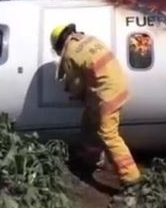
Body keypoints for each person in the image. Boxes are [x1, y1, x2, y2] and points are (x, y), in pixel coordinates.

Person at [50, 23, 142, 189]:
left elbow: (77, 85)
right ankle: (93, 158)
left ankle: (132, 181)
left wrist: (72, 91)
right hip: (116, 85)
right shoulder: (89, 40)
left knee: (108, 134)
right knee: (88, 121)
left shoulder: (70, 53)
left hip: (107, 93)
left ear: (59, 44)